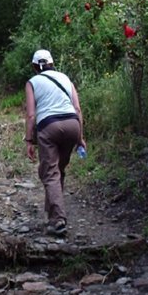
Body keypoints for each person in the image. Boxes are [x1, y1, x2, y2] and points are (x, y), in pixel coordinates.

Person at [24, 49, 86, 236]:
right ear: (52, 62)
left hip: (49, 127)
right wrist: (80, 138)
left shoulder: (32, 82)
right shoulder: (65, 78)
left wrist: (28, 140)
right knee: (58, 170)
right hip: (72, 125)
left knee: (50, 173)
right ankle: (52, 211)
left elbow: (31, 114)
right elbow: (77, 108)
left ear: (35, 66)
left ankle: (58, 220)